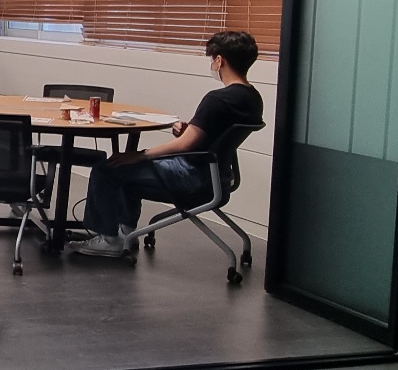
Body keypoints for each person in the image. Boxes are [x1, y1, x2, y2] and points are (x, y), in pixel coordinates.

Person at [70, 31, 264, 258]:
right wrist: (189, 131)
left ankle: (109, 240)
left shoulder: (217, 99)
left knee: (109, 168)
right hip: (220, 176)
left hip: (193, 175)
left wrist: (141, 155)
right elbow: (215, 136)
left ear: (219, 60)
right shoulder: (253, 99)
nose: (212, 65)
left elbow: (185, 145)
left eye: (212, 59)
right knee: (127, 170)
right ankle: (126, 234)